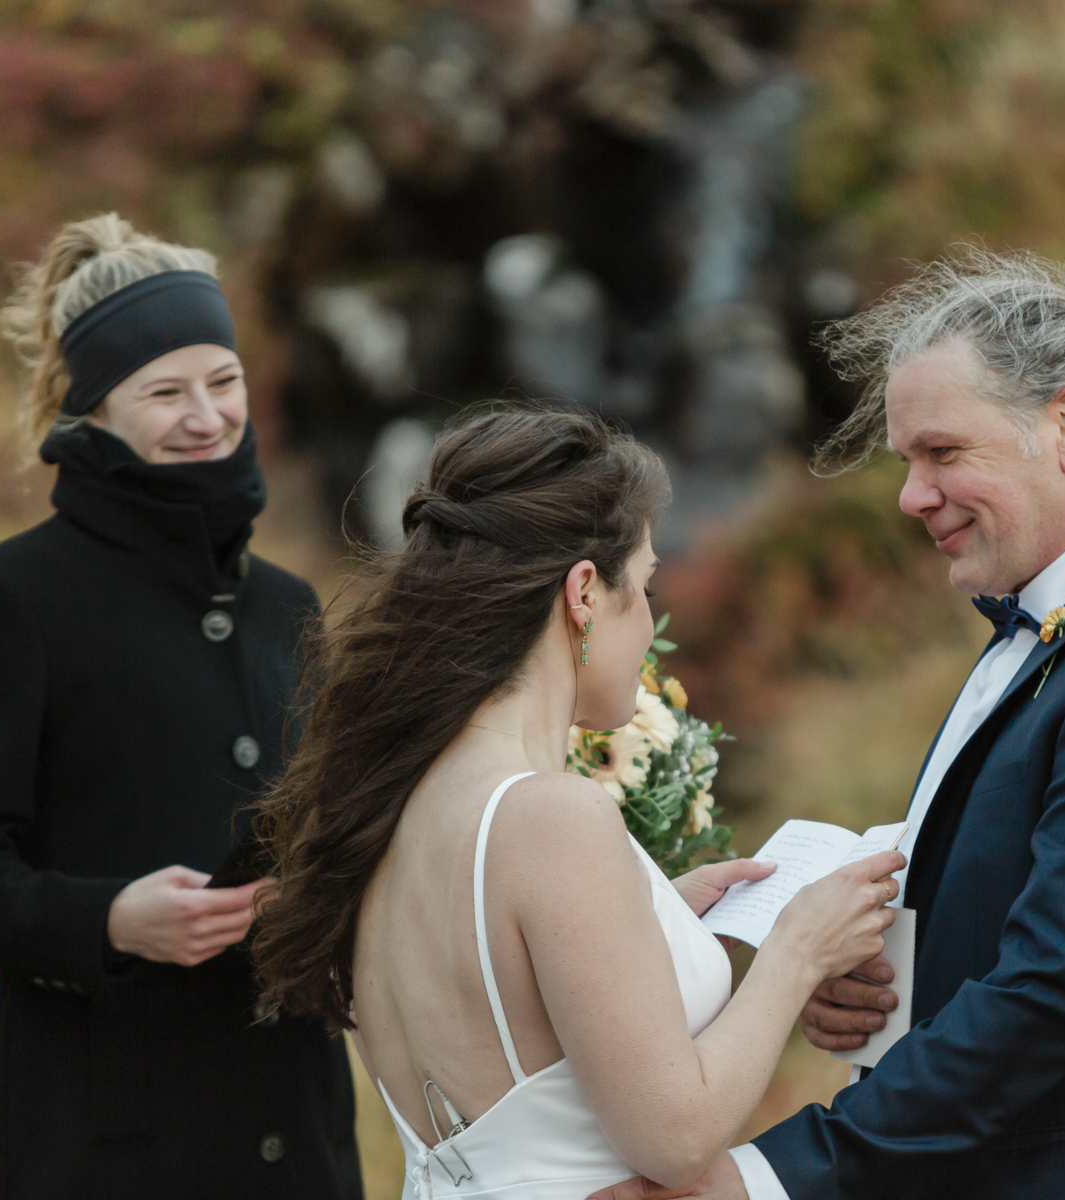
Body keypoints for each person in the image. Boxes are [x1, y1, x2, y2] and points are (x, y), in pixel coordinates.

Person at [589, 250, 1065, 1200]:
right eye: (907, 462)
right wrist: (881, 981)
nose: (911, 495)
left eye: (942, 453)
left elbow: (1056, 991)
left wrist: (767, 1180)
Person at [251, 406, 905, 1199]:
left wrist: (656, 921)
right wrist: (798, 953)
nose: (653, 621)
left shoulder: (390, 799)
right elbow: (675, 1137)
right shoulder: (551, 816)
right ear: (585, 592)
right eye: (648, 583)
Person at [0, 214, 363, 1200]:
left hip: (299, 1137)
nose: (207, 415)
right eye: (165, 393)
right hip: (99, 1148)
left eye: (223, 381)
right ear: (95, 412)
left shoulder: (289, 606)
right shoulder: (11, 600)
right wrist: (110, 919)